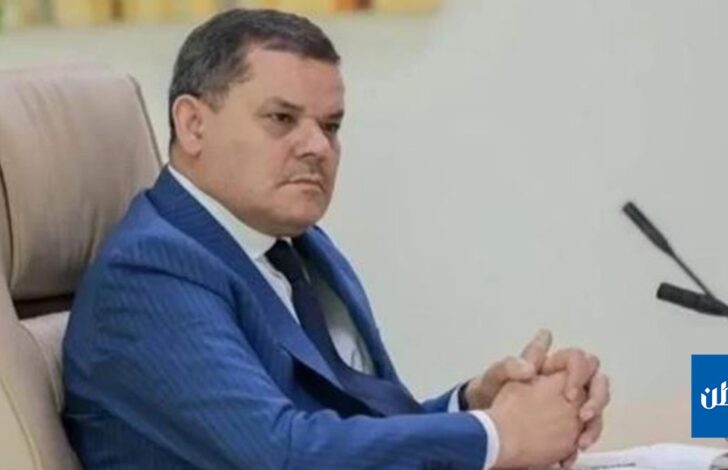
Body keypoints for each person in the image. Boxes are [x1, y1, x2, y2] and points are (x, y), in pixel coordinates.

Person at [63, 8, 609, 469]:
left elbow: (359, 431)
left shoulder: (300, 249)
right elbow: (284, 455)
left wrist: (473, 406)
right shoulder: (149, 271)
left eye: (331, 126)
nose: (318, 148)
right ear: (193, 124)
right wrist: (497, 435)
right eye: (282, 118)